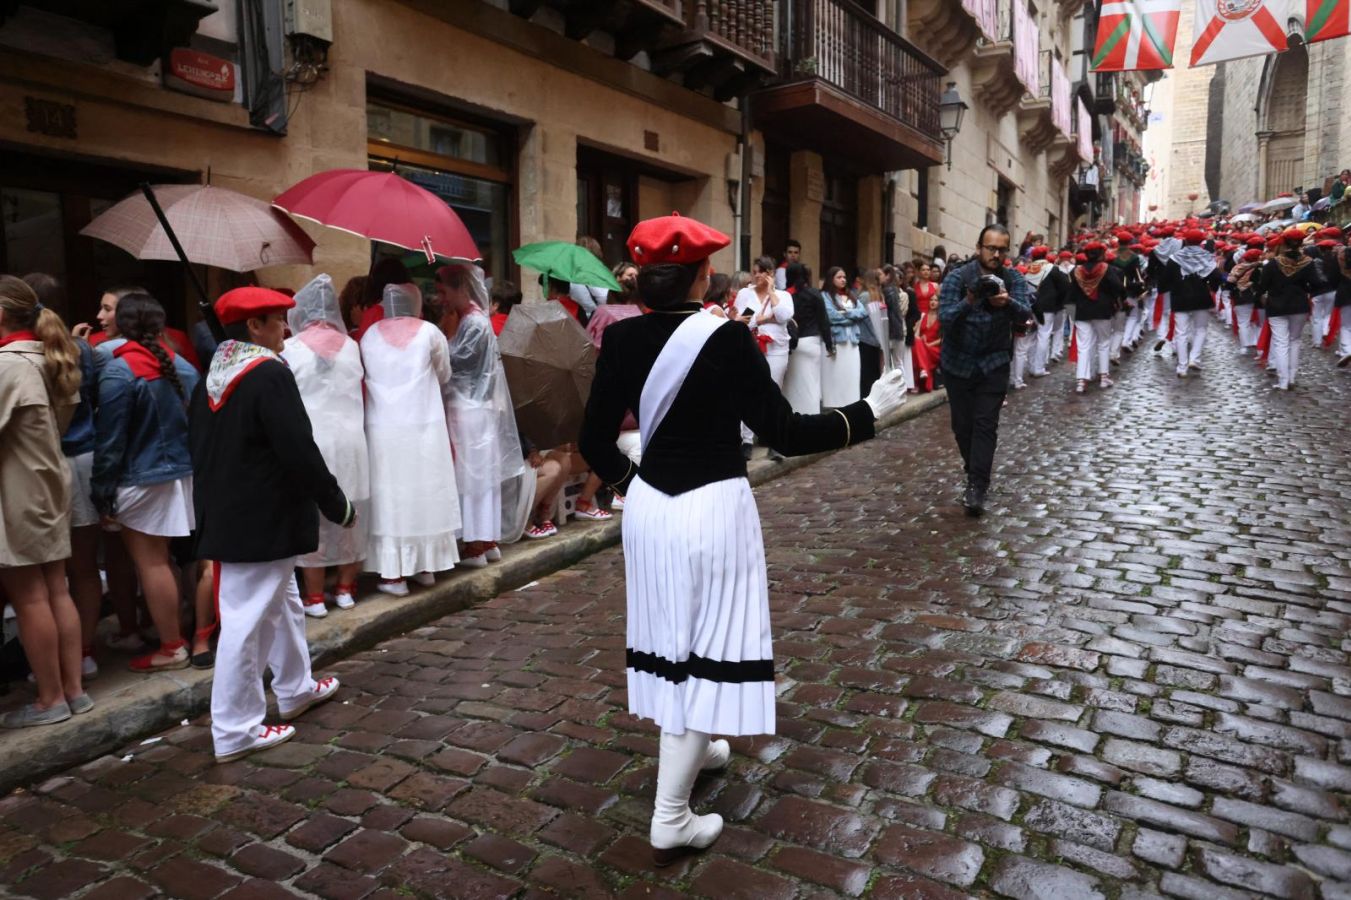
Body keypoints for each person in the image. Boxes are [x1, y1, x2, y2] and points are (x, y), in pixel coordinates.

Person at [579, 213, 907, 865]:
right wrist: (867, 413)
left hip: (649, 509)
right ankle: (670, 817)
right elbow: (783, 432)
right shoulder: (727, 338)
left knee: (669, 638)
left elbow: (593, 440)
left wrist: (634, 486)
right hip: (712, 508)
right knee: (704, 652)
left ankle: (697, 748)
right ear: (702, 276)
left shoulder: (619, 337)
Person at [189, 286, 352, 763]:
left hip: (236, 514)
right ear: (254, 326)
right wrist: (335, 501)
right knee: (247, 621)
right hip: (262, 517)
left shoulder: (213, 375)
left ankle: (295, 686)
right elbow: (297, 447)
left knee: (284, 602)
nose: (285, 327)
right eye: (277, 319)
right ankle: (235, 728)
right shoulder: (268, 374)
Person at [91, 292, 200, 672]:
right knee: (162, 560)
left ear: (123, 325)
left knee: (151, 564)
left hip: (141, 477)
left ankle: (172, 647)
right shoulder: (181, 365)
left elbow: (110, 441)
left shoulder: (120, 371)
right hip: (179, 475)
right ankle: (175, 635)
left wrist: (101, 492)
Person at [0, 275, 90, 727]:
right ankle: (73, 691)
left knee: (30, 595)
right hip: (49, 482)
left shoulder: (9, 365)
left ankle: (50, 699)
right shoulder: (47, 356)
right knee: (56, 588)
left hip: (20, 489)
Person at [361, 283, 462, 592]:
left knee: (391, 495)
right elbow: (444, 373)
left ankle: (395, 573)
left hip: (383, 426)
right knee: (424, 491)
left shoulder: (369, 335)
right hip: (423, 423)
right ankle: (426, 565)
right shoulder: (430, 332)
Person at [280, 275, 370, 616]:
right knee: (351, 514)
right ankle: (345, 588)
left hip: (313, 440)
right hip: (351, 440)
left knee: (313, 518)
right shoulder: (351, 346)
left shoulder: (290, 349)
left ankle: (315, 597)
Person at [937, 224, 1033, 516]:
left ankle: (978, 485)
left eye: (1002, 249)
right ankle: (973, 469)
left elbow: (1026, 314)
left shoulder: (1013, 278)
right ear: (979, 248)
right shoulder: (957, 278)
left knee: (985, 424)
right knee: (962, 426)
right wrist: (969, 299)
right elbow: (944, 318)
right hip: (958, 363)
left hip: (994, 363)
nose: (996, 254)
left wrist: (1006, 302)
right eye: (991, 248)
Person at [437, 264, 524, 567]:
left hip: (469, 407)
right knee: (481, 476)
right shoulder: (474, 320)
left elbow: (457, 362)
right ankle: (486, 539)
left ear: (461, 289)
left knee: (472, 477)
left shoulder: (473, 323)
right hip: (475, 407)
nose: (442, 298)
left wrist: (444, 337)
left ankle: (476, 543)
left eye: (445, 291)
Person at [1260, 227, 1321, 390]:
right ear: (1301, 243)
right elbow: (1317, 283)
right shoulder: (1308, 262)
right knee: (1295, 341)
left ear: (1284, 243)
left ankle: (1283, 380)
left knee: (1280, 343)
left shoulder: (1272, 264)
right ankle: (1292, 377)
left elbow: (1262, 286)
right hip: (1299, 305)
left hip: (1276, 306)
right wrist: (1305, 288)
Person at [1165, 229, 1223, 378]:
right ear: (1201, 241)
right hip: (1201, 297)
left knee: (1181, 333)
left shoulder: (1174, 258)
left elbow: (1167, 278)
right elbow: (1216, 276)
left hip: (1179, 298)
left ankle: (1182, 367)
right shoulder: (1207, 257)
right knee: (1201, 329)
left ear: (1185, 240)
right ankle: (1194, 358)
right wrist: (1212, 287)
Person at [1069, 241, 1125, 393]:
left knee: (1083, 346)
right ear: (1101, 254)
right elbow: (1118, 287)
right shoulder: (1107, 269)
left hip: (1081, 312)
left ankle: (1081, 380)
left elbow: (1071, 293)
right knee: (1104, 343)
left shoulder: (1076, 270)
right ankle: (1104, 377)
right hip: (1102, 311)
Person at [781, 263, 832, 414]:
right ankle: (811, 414)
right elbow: (824, 321)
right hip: (811, 342)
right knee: (811, 382)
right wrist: (829, 344)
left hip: (791, 342)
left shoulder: (784, 295)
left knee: (791, 383)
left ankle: (792, 413)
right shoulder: (814, 294)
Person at [821, 267, 869, 407]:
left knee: (851, 374)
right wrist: (852, 317)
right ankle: (834, 404)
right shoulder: (825, 296)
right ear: (831, 279)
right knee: (836, 374)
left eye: (844, 277)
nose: (843, 280)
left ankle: (851, 403)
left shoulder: (851, 295)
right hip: (837, 340)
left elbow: (862, 312)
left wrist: (845, 312)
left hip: (852, 341)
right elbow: (831, 315)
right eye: (839, 277)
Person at [1010, 247, 1052, 389]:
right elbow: (1036, 307)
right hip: (1025, 322)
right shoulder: (1030, 289)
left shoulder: (1009, 287)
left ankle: (1013, 378)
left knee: (1014, 351)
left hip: (1011, 322)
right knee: (1021, 351)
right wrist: (1040, 321)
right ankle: (1017, 380)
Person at [568, 236, 609, 323]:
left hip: (577, 321)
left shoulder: (570, 277)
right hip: (597, 322)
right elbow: (604, 299)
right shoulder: (600, 276)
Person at [911, 287, 942, 392]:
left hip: (934, 348)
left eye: (936, 300)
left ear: (939, 303)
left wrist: (929, 344)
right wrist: (921, 338)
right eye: (931, 300)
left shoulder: (941, 317)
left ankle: (917, 381)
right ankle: (923, 370)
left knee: (919, 349)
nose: (933, 302)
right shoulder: (923, 315)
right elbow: (916, 334)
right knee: (917, 342)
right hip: (922, 346)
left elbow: (942, 339)